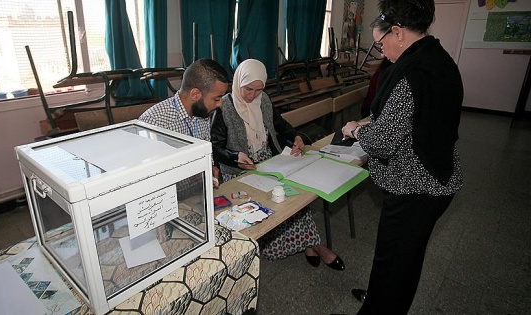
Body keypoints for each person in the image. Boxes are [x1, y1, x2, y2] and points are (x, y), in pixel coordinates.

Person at [341, 0, 464, 313]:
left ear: (397, 33)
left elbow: (382, 143)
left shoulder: (411, 75)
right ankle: (383, 297)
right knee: (403, 259)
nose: (381, 52)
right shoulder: (437, 58)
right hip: (436, 177)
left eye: (380, 44)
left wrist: (356, 130)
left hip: (416, 187)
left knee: (394, 258)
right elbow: (411, 118)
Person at [210, 58, 344, 270]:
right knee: (277, 202)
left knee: (295, 196)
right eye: (248, 89)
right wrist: (236, 156)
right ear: (238, 82)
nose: (253, 95)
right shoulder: (224, 106)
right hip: (239, 170)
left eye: (258, 89)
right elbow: (215, 147)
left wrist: (296, 138)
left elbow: (281, 126)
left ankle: (311, 244)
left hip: (268, 162)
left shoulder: (263, 101)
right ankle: (314, 244)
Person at [139, 58, 230, 188]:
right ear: (195, 94)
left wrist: (209, 167)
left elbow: (205, 152)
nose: (220, 103)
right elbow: (147, 179)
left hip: (199, 193)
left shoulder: (202, 113)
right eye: (217, 98)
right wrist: (190, 172)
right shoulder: (154, 122)